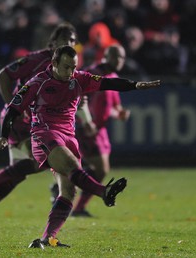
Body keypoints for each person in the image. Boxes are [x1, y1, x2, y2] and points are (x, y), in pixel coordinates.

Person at [0, 45, 160, 248]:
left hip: (69, 137)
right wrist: (3, 136)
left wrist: (135, 85)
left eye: (73, 67)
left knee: (69, 191)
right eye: (66, 67)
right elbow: (13, 110)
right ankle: (103, 192)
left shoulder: (79, 79)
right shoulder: (37, 83)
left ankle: (47, 238)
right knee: (72, 165)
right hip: (44, 136)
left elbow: (108, 83)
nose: (70, 72)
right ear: (53, 64)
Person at [0, 22, 82, 227]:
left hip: (33, 122)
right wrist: (14, 105)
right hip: (22, 121)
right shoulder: (37, 59)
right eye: (65, 39)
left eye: (72, 40)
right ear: (53, 42)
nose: (69, 43)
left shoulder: (66, 66)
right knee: (43, 160)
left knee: (16, 175)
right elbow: (3, 76)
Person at [70, 44, 131, 217]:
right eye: (117, 56)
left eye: (122, 57)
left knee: (98, 168)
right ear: (107, 56)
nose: (120, 61)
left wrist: (119, 113)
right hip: (87, 127)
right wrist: (86, 120)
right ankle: (77, 202)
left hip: (100, 129)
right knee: (101, 168)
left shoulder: (113, 77)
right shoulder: (94, 73)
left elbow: (113, 107)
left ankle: (74, 195)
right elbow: (79, 95)